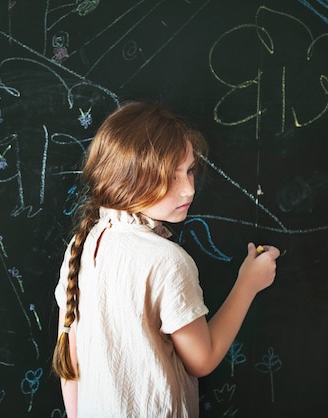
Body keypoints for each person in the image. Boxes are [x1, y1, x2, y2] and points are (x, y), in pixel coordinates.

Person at [52, 101, 280, 417]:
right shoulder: (166, 261)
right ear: (127, 178)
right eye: (170, 177)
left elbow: (71, 367)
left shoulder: (84, 242)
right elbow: (202, 359)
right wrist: (248, 283)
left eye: (189, 171)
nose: (188, 190)